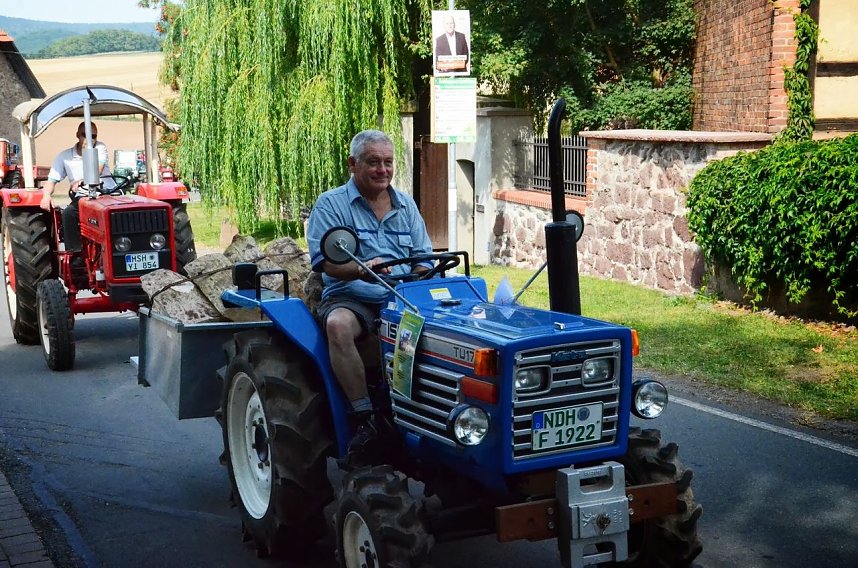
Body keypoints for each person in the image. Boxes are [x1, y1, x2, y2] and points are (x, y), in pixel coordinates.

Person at [306, 129, 433, 466]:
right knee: (337, 324)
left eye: (388, 162)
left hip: (402, 295)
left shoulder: (406, 205)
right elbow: (326, 263)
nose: (382, 170)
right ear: (353, 164)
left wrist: (422, 274)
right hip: (353, 295)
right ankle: (364, 416)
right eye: (373, 162)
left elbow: (423, 257)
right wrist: (359, 269)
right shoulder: (331, 204)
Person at [39, 121, 115, 252]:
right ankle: (75, 253)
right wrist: (46, 196)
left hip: (108, 192)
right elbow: (51, 180)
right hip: (84, 195)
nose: (89, 139)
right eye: (84, 135)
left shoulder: (100, 148)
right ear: (77, 135)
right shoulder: (64, 157)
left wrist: (81, 180)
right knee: (69, 213)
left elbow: (98, 170)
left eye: (93, 136)